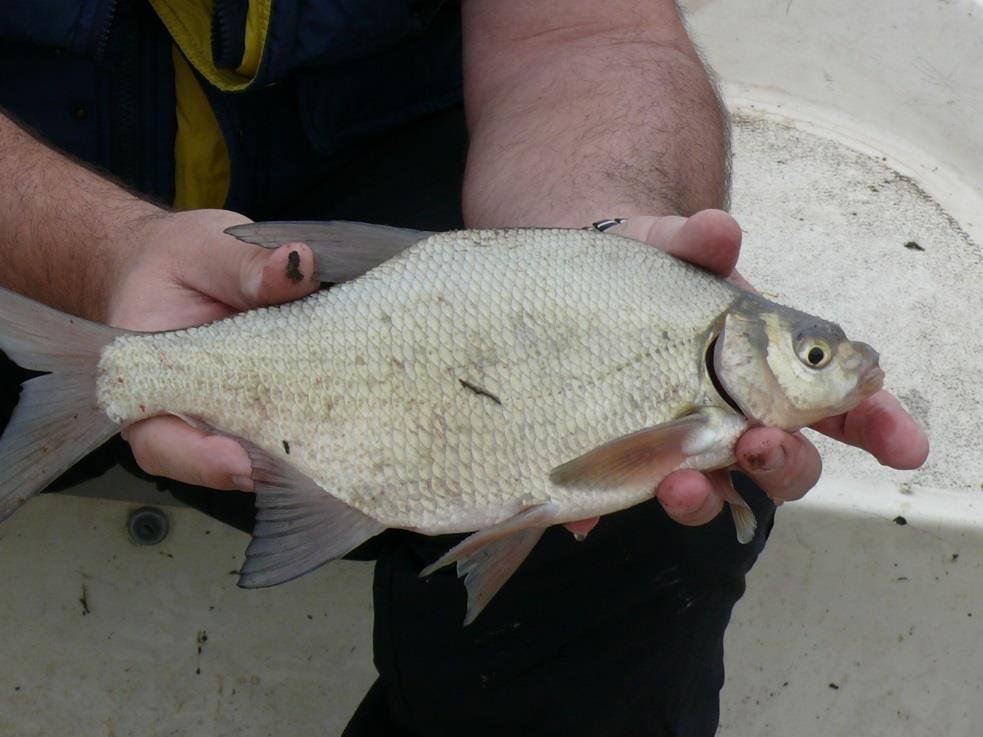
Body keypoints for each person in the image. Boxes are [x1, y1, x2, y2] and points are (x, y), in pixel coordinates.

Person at [0, 1, 927, 735]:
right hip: (24, 204)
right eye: (810, 355)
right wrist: (97, 251)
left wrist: (590, 241)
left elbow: (580, 30)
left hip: (363, 190)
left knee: (651, 520)